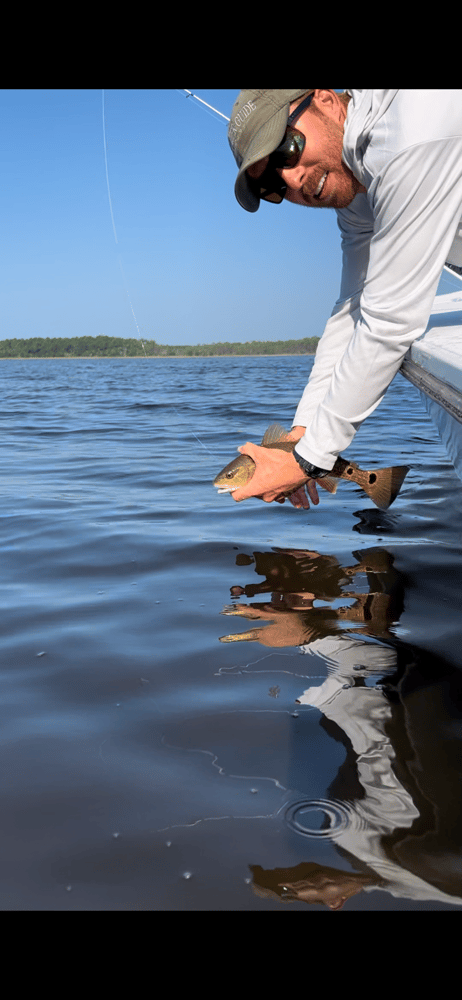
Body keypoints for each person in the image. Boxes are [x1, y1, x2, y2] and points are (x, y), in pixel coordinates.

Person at [227, 90, 462, 509]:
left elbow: (390, 320)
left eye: (286, 149)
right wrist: (304, 432)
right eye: (272, 187)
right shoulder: (356, 191)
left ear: (326, 98)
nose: (293, 180)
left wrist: (309, 460)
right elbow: (353, 305)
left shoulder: (411, 130)